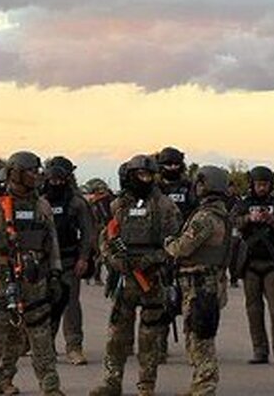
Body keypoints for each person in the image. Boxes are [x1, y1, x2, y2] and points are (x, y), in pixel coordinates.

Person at [0, 151, 65, 396]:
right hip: (0, 279)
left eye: (37, 171)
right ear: (15, 173)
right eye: (31, 171)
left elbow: (52, 244)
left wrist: (55, 274)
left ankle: (51, 388)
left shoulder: (42, 205)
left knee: (40, 339)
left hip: (35, 280)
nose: (36, 176)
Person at [91, 155, 183, 396]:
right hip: (123, 280)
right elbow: (104, 237)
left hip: (151, 279)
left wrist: (151, 261)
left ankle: (146, 385)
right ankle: (112, 382)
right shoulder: (117, 205)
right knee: (116, 337)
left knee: (149, 337)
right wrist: (112, 259)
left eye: (149, 175)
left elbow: (174, 244)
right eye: (141, 175)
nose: (146, 179)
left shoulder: (164, 206)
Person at [164, 166, 235, 396]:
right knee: (196, 333)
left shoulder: (205, 217)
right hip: (208, 281)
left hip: (199, 283)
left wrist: (168, 243)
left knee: (200, 337)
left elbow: (183, 247)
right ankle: (199, 383)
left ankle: (204, 386)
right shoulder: (221, 214)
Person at [232, 165, 274, 366]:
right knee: (254, 310)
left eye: (265, 184)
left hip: (273, 264)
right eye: (258, 184)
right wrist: (248, 219)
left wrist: (272, 221)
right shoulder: (243, 204)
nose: (262, 188)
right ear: (252, 184)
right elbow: (231, 222)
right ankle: (260, 350)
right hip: (250, 264)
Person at [41, 156, 94, 365]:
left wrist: (84, 258)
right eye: (52, 179)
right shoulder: (39, 201)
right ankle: (46, 347)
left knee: (71, 304)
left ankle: (74, 347)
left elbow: (88, 233)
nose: (56, 183)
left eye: (60, 179)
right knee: (45, 305)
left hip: (70, 260)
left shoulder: (76, 202)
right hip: (44, 262)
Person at [85, 178, 115, 285]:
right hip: (101, 229)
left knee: (96, 253)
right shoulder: (102, 200)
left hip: (94, 229)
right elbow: (106, 216)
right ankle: (97, 277)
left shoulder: (92, 201)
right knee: (101, 254)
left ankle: (91, 276)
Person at [156, 146, 199, 220]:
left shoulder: (189, 186)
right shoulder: (154, 187)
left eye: (176, 164)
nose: (173, 167)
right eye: (169, 164)